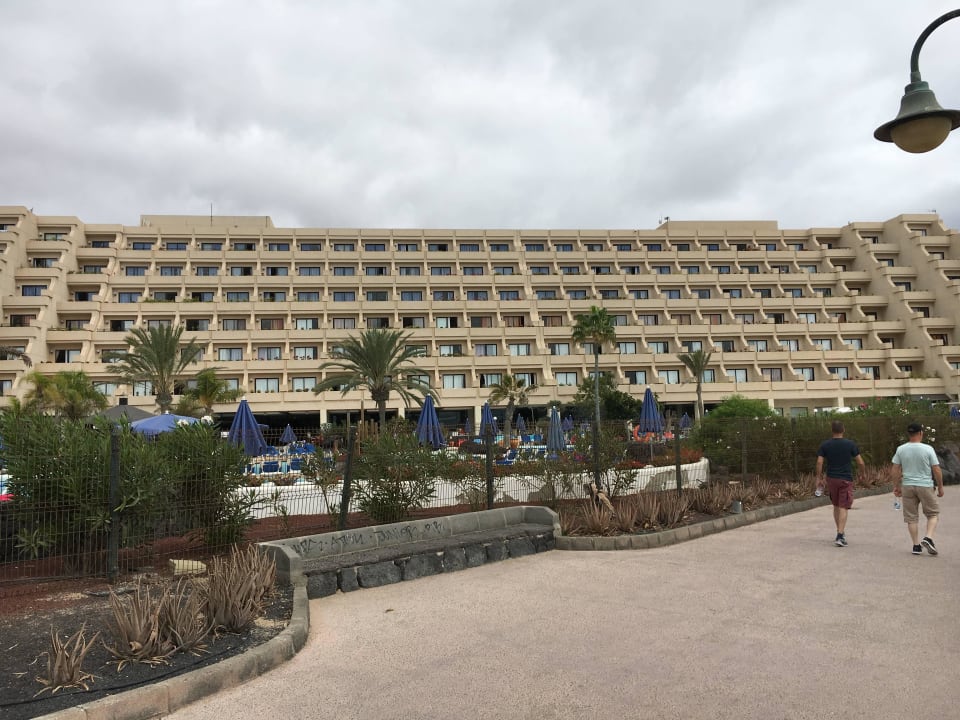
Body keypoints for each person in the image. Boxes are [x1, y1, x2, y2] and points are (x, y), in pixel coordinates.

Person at [892, 422, 944, 556]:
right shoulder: (928, 449)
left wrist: (896, 486)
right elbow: (936, 469)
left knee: (911, 518)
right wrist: (940, 487)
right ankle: (928, 537)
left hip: (908, 486)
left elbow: (895, 469)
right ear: (921, 433)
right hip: (925, 485)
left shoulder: (901, 449)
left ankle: (916, 546)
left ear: (909, 434)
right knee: (933, 514)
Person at [815, 420, 866, 547]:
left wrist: (819, 477)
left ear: (832, 430)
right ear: (843, 430)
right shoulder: (850, 444)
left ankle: (839, 532)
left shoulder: (825, 445)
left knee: (836, 505)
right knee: (844, 506)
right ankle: (840, 534)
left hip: (831, 479)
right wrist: (863, 473)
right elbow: (860, 462)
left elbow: (820, 462)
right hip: (845, 479)